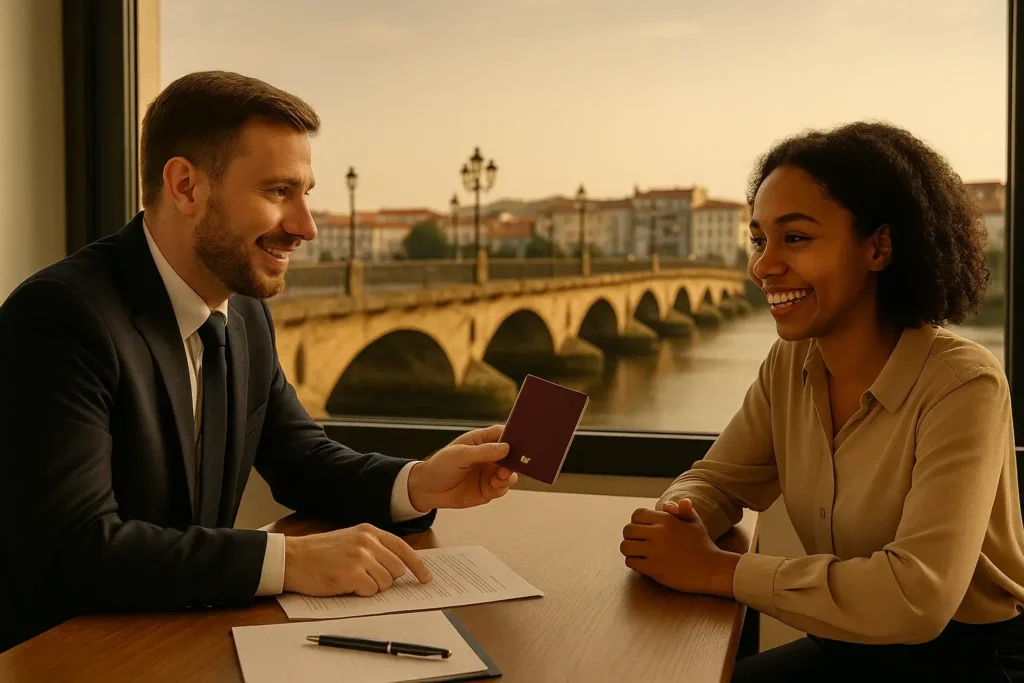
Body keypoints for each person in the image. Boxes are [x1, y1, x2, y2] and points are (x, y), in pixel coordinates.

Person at [0, 70, 519, 652]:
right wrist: (288, 559)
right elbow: (75, 550)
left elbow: (302, 459)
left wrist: (418, 483)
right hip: (67, 656)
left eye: (306, 193)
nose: (306, 226)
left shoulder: (243, 312)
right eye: (278, 192)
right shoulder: (61, 317)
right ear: (186, 187)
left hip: (183, 635)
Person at [619, 122, 1024, 681]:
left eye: (797, 238)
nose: (763, 266)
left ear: (878, 246)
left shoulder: (962, 384)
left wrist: (718, 571)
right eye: (759, 239)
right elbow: (717, 480)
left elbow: (918, 596)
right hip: (849, 651)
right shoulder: (790, 364)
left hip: (965, 663)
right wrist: (678, 520)